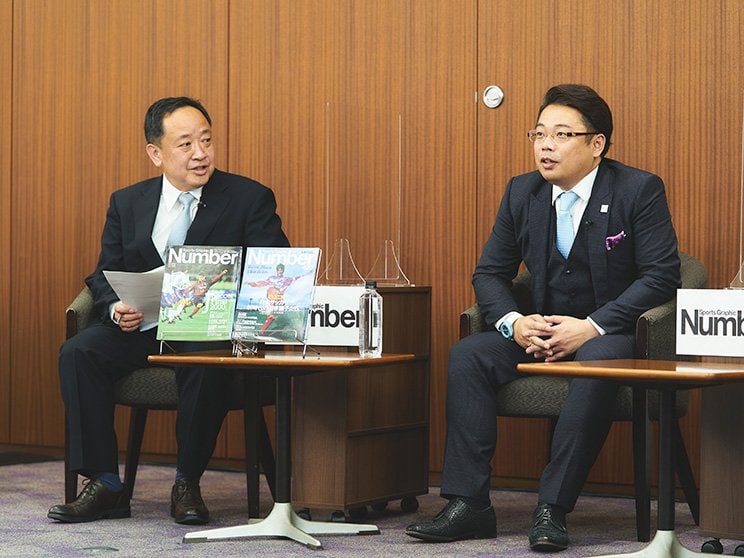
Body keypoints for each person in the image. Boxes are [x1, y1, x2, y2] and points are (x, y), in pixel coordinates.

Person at [405, 84, 680, 552]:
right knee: (469, 355)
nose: (546, 145)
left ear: (597, 144)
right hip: (540, 328)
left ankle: (552, 507)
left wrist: (590, 326)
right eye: (539, 134)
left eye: (561, 134)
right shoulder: (523, 191)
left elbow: (661, 276)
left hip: (610, 332)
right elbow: (489, 273)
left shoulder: (638, 189)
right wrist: (515, 322)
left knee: (598, 359)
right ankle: (469, 504)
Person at [48, 97, 290, 525]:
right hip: (143, 327)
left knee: (202, 361)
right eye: (186, 144)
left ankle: (186, 482)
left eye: (206, 141)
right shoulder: (127, 202)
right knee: (78, 352)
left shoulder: (248, 198)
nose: (200, 153)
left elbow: (273, 269)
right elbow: (104, 272)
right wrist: (116, 307)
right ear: (156, 152)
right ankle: (105, 483)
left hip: (209, 330)